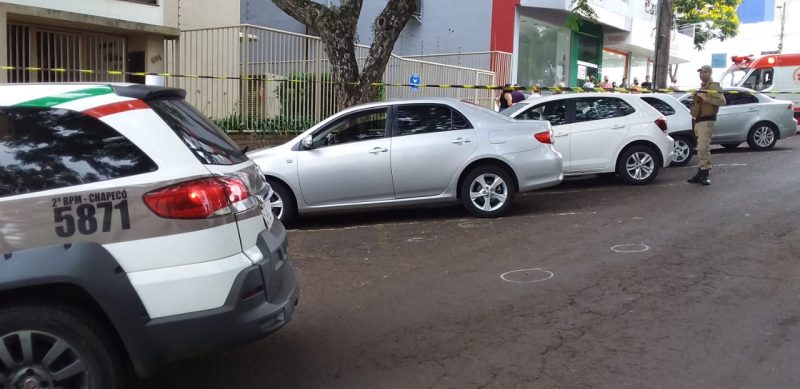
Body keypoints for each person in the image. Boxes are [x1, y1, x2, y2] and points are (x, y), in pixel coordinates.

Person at [687, 65, 726, 185]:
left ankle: (705, 173)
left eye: (704, 72)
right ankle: (700, 172)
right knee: (700, 148)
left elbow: (722, 101)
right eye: (700, 72)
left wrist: (706, 98)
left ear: (709, 73)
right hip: (699, 120)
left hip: (707, 121)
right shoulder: (703, 87)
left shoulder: (714, 86)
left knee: (703, 147)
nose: (701, 74)